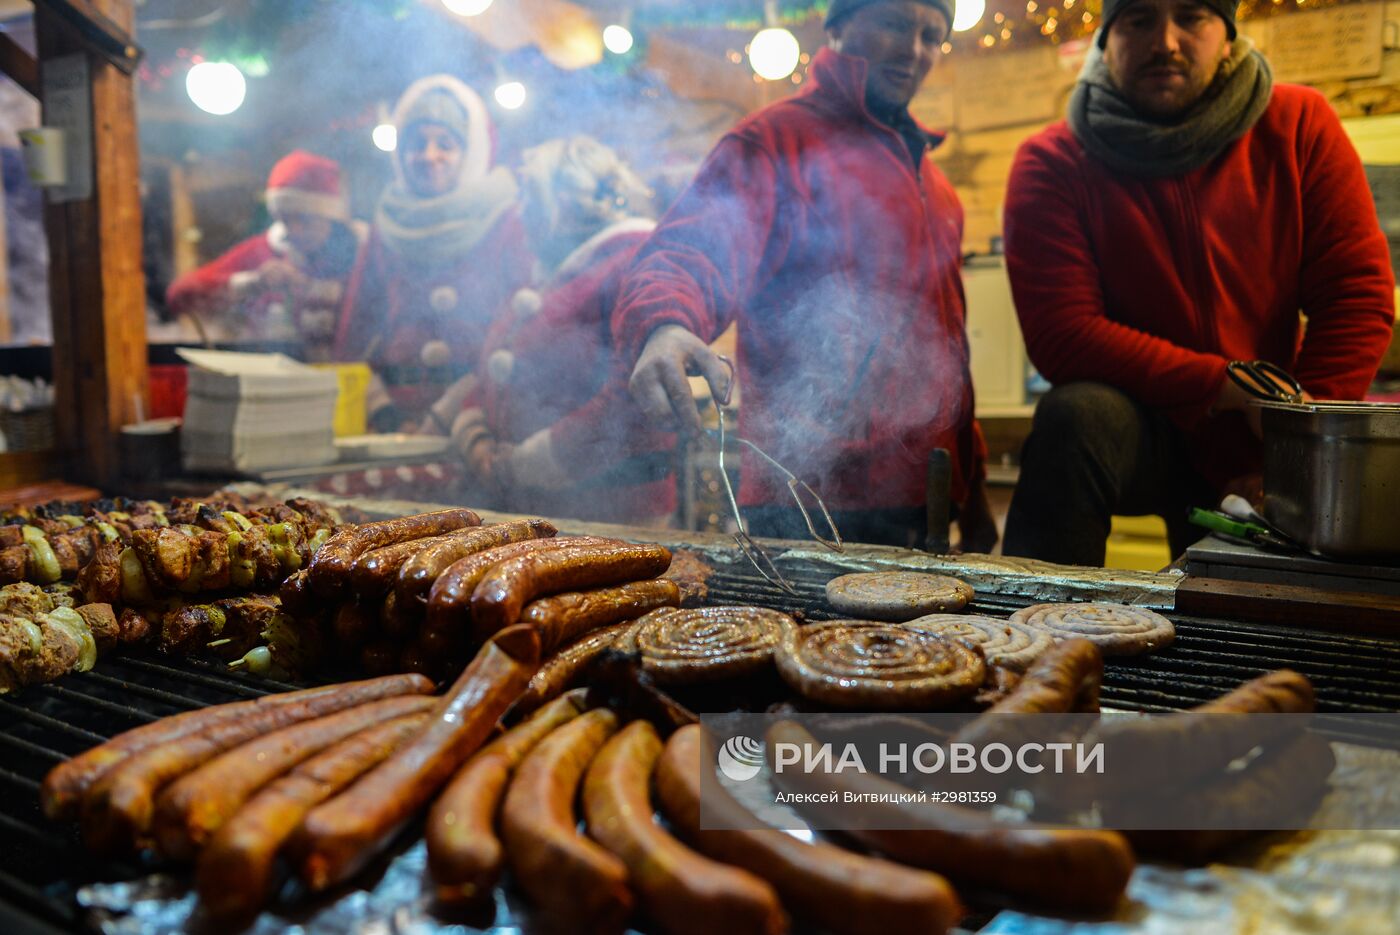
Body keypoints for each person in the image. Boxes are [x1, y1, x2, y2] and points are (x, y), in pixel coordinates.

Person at [1000, 0, 1396, 566]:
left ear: (1229, 37)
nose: (1165, 40)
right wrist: (1226, 385)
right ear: (1105, 42)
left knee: (1248, 629)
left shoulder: (1299, 124)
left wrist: (1297, 456)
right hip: (1143, 430)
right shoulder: (1054, 160)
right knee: (1074, 416)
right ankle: (1035, 626)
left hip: (1270, 435)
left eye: (1192, 16)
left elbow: (1355, 295)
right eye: (1138, 20)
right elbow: (1065, 333)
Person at [611, 0, 996, 551]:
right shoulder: (773, 142)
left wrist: (973, 483)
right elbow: (690, 250)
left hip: (925, 492)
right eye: (893, 23)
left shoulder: (939, 188)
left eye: (932, 35)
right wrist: (664, 322)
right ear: (837, 25)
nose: (914, 50)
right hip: (805, 492)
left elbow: (950, 351)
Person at [450, 136, 675, 525]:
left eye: (529, 199)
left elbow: (631, 397)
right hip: (544, 507)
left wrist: (529, 462)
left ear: (565, 202)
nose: (519, 215)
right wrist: (479, 439)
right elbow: (490, 373)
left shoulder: (631, 262)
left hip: (611, 513)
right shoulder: (557, 274)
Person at [334, 75, 530, 433]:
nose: (428, 156)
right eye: (416, 143)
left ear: (470, 152)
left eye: (446, 143)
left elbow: (519, 329)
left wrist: (453, 413)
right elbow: (357, 327)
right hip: (390, 420)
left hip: (477, 420)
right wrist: (382, 412)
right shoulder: (385, 225)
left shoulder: (505, 221)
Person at [165, 150, 362, 359]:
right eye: (285, 219)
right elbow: (179, 296)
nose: (293, 231)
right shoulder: (265, 250)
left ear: (330, 215)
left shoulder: (366, 252)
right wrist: (253, 282)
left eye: (304, 220)